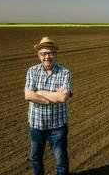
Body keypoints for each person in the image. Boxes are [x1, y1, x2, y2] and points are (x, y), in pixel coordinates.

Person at [25, 36, 73, 175]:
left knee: (61, 161)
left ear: (55, 54)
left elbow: (63, 97)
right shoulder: (32, 71)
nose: (47, 57)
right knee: (36, 158)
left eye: (51, 53)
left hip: (57, 126)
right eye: (43, 53)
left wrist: (39, 92)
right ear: (38, 55)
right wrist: (52, 97)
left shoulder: (65, 73)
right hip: (36, 125)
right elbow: (28, 95)